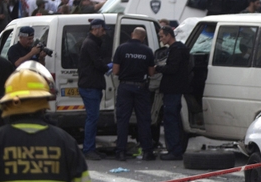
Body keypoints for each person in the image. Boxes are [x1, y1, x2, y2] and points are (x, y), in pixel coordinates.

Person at [112, 27, 157, 161]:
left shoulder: (121, 48)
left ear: (132, 35)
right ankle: (147, 151)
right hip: (141, 88)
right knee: (144, 120)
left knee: (123, 120)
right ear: (143, 38)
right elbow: (151, 73)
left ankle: (120, 151)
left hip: (125, 87)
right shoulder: (147, 51)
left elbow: (115, 71)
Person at [77, 18, 111, 161]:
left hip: (91, 84)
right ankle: (89, 149)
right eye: (103, 30)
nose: (104, 33)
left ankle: (90, 148)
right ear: (96, 29)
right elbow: (97, 63)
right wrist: (109, 67)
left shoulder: (90, 42)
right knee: (92, 118)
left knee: (93, 118)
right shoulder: (90, 44)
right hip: (90, 85)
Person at [156, 26, 191, 160]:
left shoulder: (176, 50)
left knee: (171, 120)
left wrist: (158, 68)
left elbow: (172, 68)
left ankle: (174, 150)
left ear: (169, 35)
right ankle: (175, 149)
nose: (161, 39)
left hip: (172, 89)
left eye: (162, 36)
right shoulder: (180, 48)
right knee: (173, 120)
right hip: (176, 89)